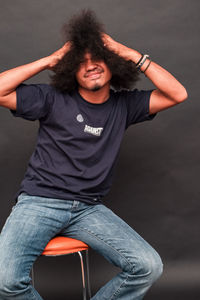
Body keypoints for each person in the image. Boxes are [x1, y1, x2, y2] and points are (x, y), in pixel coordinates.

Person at [0, 10, 187, 300]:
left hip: (88, 209)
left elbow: (178, 94)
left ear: (113, 64)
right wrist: (49, 60)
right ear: (70, 70)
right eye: (81, 62)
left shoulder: (125, 106)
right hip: (39, 203)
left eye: (98, 58)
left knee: (147, 266)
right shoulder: (51, 98)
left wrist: (127, 52)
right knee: (5, 281)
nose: (90, 66)